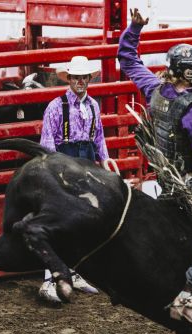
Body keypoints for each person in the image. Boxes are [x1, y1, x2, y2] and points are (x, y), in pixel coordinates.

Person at [117, 8, 192, 329]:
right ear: (188, 75)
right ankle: (189, 296)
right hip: (190, 186)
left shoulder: (154, 90)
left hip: (167, 182)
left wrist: (135, 27)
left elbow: (127, 58)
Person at [38, 55, 113, 303]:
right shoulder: (55, 107)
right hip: (63, 168)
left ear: (89, 79)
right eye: (76, 77)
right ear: (69, 79)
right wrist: (53, 174)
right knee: (58, 223)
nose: (80, 81)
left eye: (84, 77)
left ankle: (74, 272)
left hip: (86, 168)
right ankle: (49, 279)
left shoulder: (93, 106)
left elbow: (98, 136)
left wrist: (105, 159)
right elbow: (47, 144)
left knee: (81, 222)